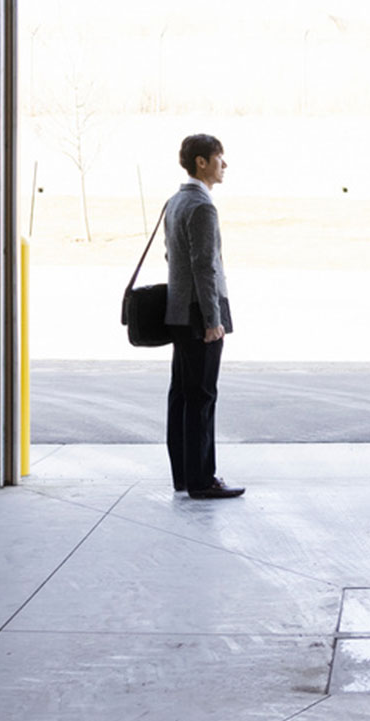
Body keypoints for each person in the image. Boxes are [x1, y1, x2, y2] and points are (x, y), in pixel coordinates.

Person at [164, 133, 242, 499]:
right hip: (200, 314)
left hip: (180, 311)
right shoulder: (202, 206)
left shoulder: (175, 201)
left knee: (181, 393)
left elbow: (172, 257)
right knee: (202, 397)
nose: (223, 165)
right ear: (201, 162)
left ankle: (183, 474)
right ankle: (202, 479)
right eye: (219, 158)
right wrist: (213, 320)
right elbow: (205, 267)